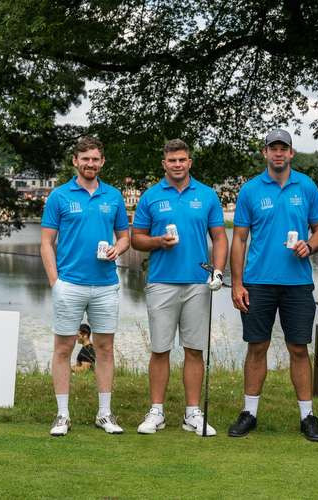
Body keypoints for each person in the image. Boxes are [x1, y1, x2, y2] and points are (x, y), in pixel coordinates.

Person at [228, 129, 318, 441]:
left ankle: (307, 416)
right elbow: (240, 238)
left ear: (291, 153)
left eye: (283, 148)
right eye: (273, 148)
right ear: (265, 153)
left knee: (298, 348)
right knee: (257, 346)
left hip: (297, 283)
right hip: (257, 282)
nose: (278, 153)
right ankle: (249, 413)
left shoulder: (307, 186)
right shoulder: (250, 190)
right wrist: (237, 283)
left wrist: (310, 246)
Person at [131, 139, 228, 436]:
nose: (177, 164)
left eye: (182, 160)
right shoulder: (151, 197)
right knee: (160, 349)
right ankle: (157, 411)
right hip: (161, 282)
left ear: (189, 162)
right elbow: (136, 239)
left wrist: (219, 271)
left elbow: (220, 238)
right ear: (164, 163)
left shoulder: (207, 195)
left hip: (198, 282)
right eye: (172, 160)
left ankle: (192, 413)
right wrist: (158, 241)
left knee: (194, 350)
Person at [41, 136, 130, 436]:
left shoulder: (114, 196)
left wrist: (119, 248)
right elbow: (46, 243)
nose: (90, 164)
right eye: (85, 159)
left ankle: (104, 414)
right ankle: (62, 415)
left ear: (102, 162)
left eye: (95, 159)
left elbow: (125, 236)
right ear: (75, 162)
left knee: (104, 348)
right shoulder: (59, 196)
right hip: (70, 284)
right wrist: (56, 283)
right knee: (63, 348)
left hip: (106, 285)